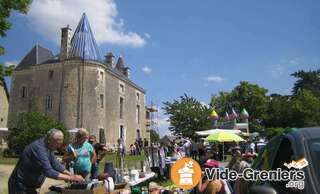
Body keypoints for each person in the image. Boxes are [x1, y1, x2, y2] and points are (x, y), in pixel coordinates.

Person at [8, 129, 84, 194]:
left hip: (29, 187)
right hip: (19, 187)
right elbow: (48, 171)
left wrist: (69, 174)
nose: (59, 146)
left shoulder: (48, 147)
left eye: (60, 143)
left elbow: (54, 163)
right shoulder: (39, 149)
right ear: (49, 140)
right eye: (57, 143)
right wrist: (72, 178)